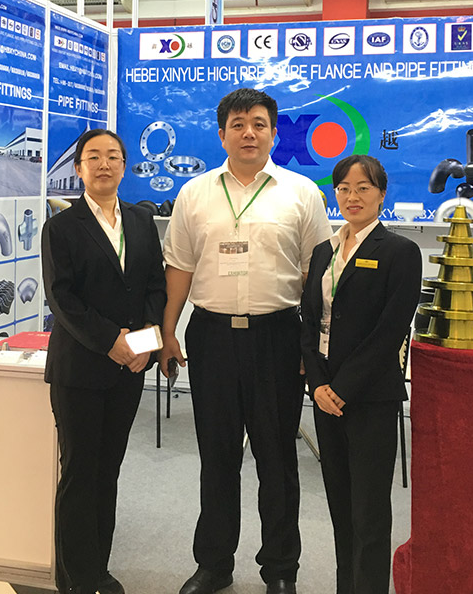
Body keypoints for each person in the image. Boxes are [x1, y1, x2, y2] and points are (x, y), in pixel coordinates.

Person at [160, 88, 332, 594]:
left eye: (258, 124)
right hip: (212, 337)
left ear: (274, 133)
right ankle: (214, 564)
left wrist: (311, 349)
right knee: (217, 459)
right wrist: (168, 332)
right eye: (238, 125)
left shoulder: (301, 192)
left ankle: (280, 569)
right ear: (222, 135)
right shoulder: (195, 193)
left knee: (278, 461)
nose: (248, 133)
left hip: (278, 338)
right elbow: (179, 268)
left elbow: (316, 275)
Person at [41, 128, 166, 594]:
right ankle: (75, 579)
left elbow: (155, 287)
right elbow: (62, 298)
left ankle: (99, 570)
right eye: (93, 157)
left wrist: (146, 342)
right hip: (80, 369)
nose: (104, 164)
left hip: (127, 370)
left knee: (108, 470)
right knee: (79, 473)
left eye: (113, 156)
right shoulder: (61, 227)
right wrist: (112, 340)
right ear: (79, 169)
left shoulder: (140, 221)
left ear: (125, 166)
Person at [300, 155, 421, 594]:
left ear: (381, 194)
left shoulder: (400, 252)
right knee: (340, 506)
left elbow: (390, 331)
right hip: (325, 394)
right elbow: (309, 321)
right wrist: (317, 384)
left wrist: (342, 388)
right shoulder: (324, 251)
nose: (352, 197)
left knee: (369, 512)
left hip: (369, 396)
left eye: (363, 188)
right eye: (344, 188)